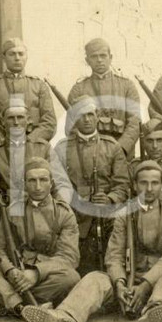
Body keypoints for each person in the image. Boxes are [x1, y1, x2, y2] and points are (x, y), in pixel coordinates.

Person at [19, 160, 162, 322]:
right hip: (129, 279)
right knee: (95, 278)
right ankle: (66, 316)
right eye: (144, 183)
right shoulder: (125, 213)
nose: (150, 188)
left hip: (156, 280)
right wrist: (120, 283)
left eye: (155, 183)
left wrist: (145, 285)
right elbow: (114, 255)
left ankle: (152, 315)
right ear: (135, 185)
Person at [0, 157, 80, 317]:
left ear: (51, 183)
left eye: (43, 180)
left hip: (45, 276)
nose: (38, 187)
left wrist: (36, 274)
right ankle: (25, 308)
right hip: (15, 274)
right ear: (24, 183)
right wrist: (9, 270)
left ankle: (8, 305)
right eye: (32, 180)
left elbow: (69, 257)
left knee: (71, 277)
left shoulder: (64, 214)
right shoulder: (14, 210)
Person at [53, 95, 132, 275]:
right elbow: (57, 185)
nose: (87, 120)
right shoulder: (62, 148)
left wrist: (110, 198)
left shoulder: (112, 147)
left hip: (106, 214)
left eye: (90, 114)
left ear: (97, 115)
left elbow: (122, 185)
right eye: (81, 115)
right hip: (74, 213)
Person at [0, 100, 52, 223]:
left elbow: (55, 188)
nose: (16, 123)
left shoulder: (43, 148)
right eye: (11, 118)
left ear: (28, 122)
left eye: (20, 118)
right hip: (6, 218)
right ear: (2, 122)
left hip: (39, 216)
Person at [0, 37, 56, 149]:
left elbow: (49, 121)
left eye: (21, 54)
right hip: (1, 149)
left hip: (34, 149)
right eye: (12, 54)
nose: (17, 58)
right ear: (4, 57)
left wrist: (31, 141)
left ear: (26, 57)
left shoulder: (39, 85)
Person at [67, 37, 142, 158]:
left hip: (122, 154)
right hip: (90, 155)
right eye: (94, 56)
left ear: (110, 57)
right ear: (87, 60)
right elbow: (72, 126)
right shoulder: (78, 89)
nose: (99, 60)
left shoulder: (127, 86)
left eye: (103, 55)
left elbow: (135, 123)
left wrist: (120, 149)